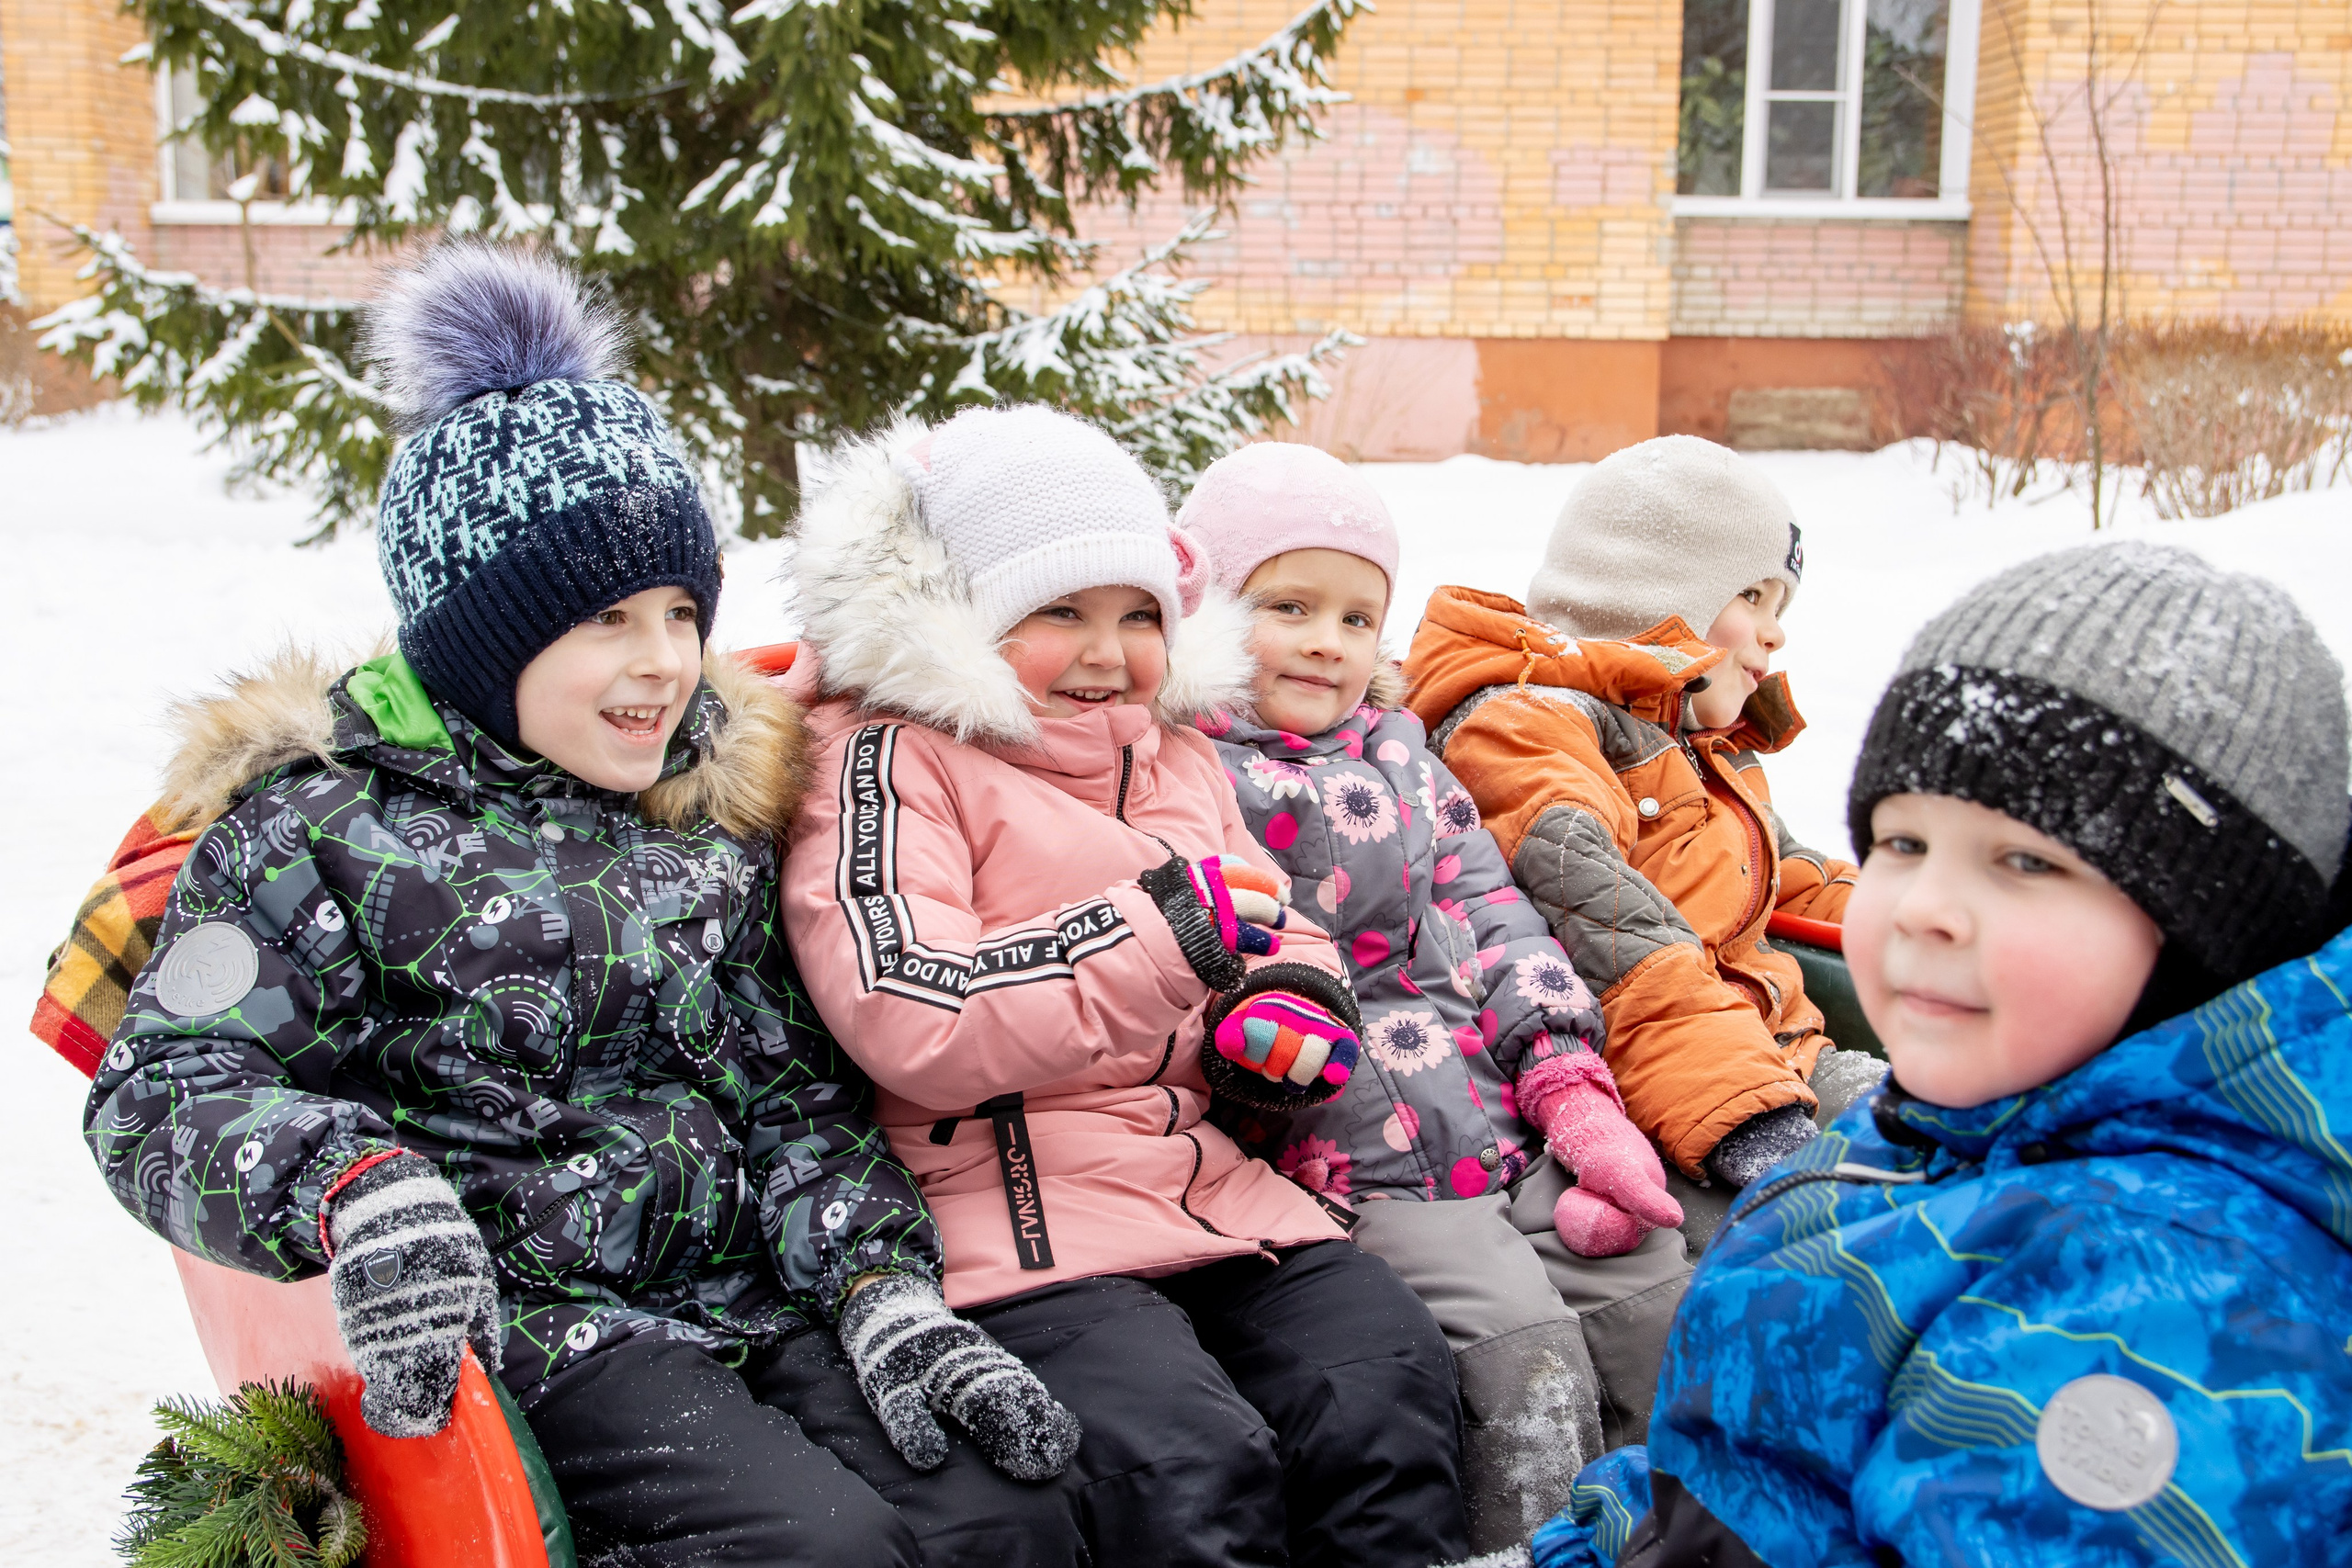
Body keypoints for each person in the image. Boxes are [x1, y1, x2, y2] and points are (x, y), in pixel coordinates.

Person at [82, 243, 1079, 1568]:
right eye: (607, 616)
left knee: (1009, 1511)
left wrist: (876, 1285)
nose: (664, 660)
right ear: (480, 637)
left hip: (760, 1295)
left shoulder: (701, 816)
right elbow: (165, 1080)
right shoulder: (315, 825)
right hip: (539, 1326)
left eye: (682, 608)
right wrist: (356, 1186)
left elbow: (788, 1097)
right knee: (819, 1550)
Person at [1532, 543, 2352, 1567]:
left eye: (2023, 861)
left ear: (2206, 934)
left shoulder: (2160, 1310)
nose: (1923, 910)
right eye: (1902, 845)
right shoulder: (1979, 1120)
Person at [778, 406, 1476, 1568]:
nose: (1108, 655)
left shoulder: (1175, 755)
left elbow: (1267, 921)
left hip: (1199, 1183)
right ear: (963, 617)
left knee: (1381, 1380)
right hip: (1005, 1215)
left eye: (1138, 615)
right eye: (1059, 612)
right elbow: (907, 1002)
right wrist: (1156, 937)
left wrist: (1288, 1001)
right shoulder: (884, 761)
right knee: (1184, 1459)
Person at [1177, 442, 1690, 1551]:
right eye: (1288, 604)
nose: (1327, 640)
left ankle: (1702, 1528)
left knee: (1655, 1295)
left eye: (1359, 618)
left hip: (1502, 1122)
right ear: (1205, 613)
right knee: (1517, 1352)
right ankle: (1530, 1542)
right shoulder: (1184, 773)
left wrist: (1568, 1083)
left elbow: (1498, 920)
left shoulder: (1404, 756)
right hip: (1353, 1165)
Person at [1402, 435, 1880, 1249]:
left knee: (1975, 1157)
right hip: (1655, 1092)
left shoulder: (1694, 739)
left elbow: (1784, 877)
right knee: (1836, 1247)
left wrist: (1938, 913)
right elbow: (1610, 939)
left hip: (1773, 1049)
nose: (1774, 635)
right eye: (1754, 598)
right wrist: (1749, 1111)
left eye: (1782, 609)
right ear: (1659, 593)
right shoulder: (1524, 729)